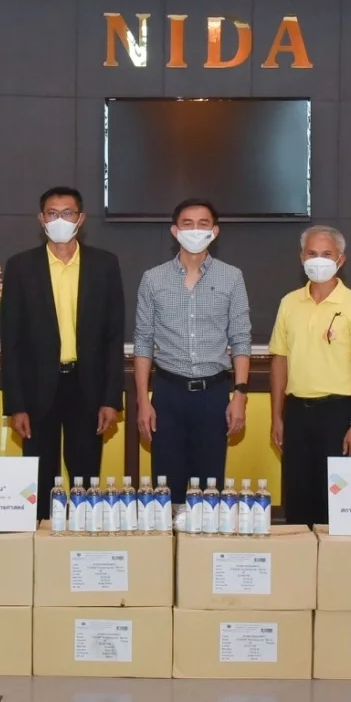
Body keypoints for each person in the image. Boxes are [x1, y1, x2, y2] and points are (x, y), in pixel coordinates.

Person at [1, 187, 125, 513]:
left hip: (87, 388)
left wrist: (111, 399)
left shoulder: (105, 265)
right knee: (40, 480)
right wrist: (16, 406)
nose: (60, 220)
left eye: (67, 213)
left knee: (85, 477)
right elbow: (11, 342)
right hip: (37, 389)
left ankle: (81, 540)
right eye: (52, 214)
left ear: (81, 219)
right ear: (41, 219)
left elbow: (114, 337)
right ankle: (43, 540)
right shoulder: (20, 267)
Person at [132, 198, 251, 506]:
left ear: (215, 231)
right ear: (175, 231)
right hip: (168, 394)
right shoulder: (153, 278)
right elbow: (143, 342)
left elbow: (240, 339)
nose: (195, 230)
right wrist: (143, 400)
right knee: (165, 489)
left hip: (214, 395)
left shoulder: (232, 277)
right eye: (187, 224)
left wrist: (240, 395)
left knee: (210, 491)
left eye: (203, 224)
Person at [268, 225, 351, 526]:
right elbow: (279, 360)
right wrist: (277, 416)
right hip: (297, 413)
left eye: (327, 254)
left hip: (338, 414)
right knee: (298, 497)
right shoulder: (289, 302)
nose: (318, 260)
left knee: (335, 503)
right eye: (312, 253)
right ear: (301, 258)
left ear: (341, 259)